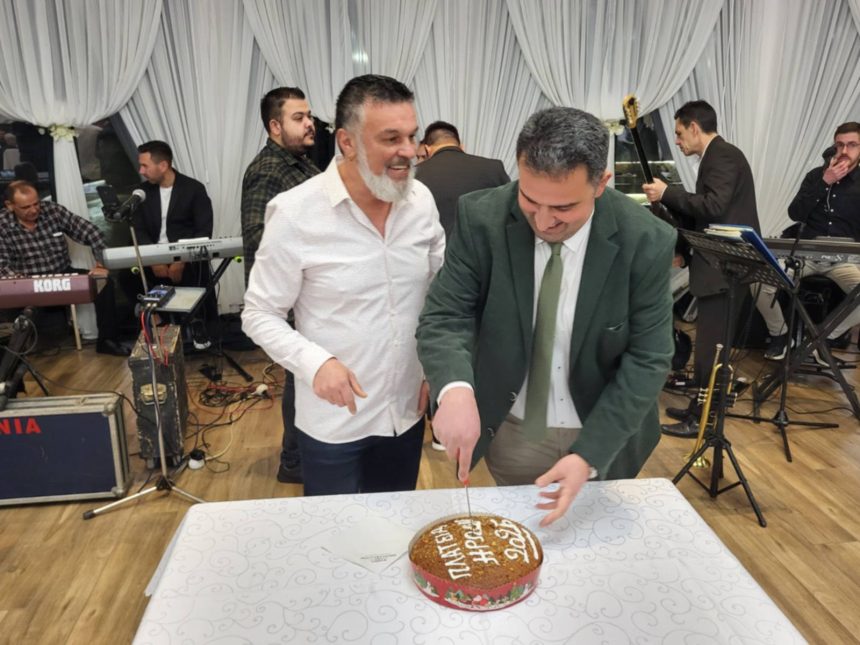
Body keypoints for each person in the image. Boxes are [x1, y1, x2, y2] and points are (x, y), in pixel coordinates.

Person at [416, 107, 675, 526]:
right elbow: (446, 314)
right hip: (514, 429)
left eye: (563, 207)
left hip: (607, 427)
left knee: (592, 542)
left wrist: (589, 454)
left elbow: (649, 357)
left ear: (601, 183)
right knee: (524, 536)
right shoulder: (482, 217)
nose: (543, 221)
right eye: (529, 200)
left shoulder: (646, 239)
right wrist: (455, 388)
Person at [242, 74, 445, 496]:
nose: (409, 151)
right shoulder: (296, 212)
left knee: (393, 525)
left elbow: (438, 295)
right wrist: (315, 363)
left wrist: (433, 368)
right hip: (334, 424)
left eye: (412, 136)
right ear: (347, 142)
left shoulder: (421, 202)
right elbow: (259, 313)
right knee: (336, 531)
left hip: (406, 412)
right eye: (391, 138)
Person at [642, 100, 770, 438]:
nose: (678, 141)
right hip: (719, 266)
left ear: (695, 127)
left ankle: (702, 421)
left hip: (727, 269)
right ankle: (697, 410)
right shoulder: (717, 157)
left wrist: (668, 193)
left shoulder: (723, 155)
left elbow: (713, 206)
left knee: (712, 350)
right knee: (709, 348)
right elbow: (709, 213)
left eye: (679, 133)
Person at [241, 87, 320, 485]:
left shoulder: (300, 165)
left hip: (309, 293)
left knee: (304, 377)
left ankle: (302, 455)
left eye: (309, 116)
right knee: (300, 377)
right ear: (275, 126)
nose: (310, 124)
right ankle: (293, 460)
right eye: (298, 117)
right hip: (290, 297)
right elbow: (258, 237)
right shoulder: (269, 170)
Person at [754, 122, 860, 365]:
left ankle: (822, 338)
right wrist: (824, 182)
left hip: (844, 260)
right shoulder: (815, 176)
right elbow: (795, 213)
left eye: (852, 145)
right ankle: (780, 334)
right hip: (804, 256)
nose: (845, 151)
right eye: (840, 145)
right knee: (759, 280)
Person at [0, 180, 126, 355]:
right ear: (10, 206)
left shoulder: (53, 211)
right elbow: (2, 265)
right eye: (26, 207)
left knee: (103, 283)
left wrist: (100, 264)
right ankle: (18, 352)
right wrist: (20, 283)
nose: (34, 210)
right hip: (27, 281)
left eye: (36, 203)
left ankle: (107, 341)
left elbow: (92, 232)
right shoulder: (2, 225)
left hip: (62, 274)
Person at [134, 140, 216, 335]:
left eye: (145, 165)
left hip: (185, 256)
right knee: (127, 277)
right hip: (154, 255)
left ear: (163, 165)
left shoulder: (193, 189)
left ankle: (201, 330)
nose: (141, 171)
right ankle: (158, 322)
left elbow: (203, 230)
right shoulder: (143, 192)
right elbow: (139, 230)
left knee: (197, 275)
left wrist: (181, 261)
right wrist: (154, 260)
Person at [415, 120, 510, 238]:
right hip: (484, 247)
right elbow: (510, 212)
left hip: (435, 248)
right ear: (461, 146)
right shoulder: (494, 167)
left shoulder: (415, 174)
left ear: (427, 149)